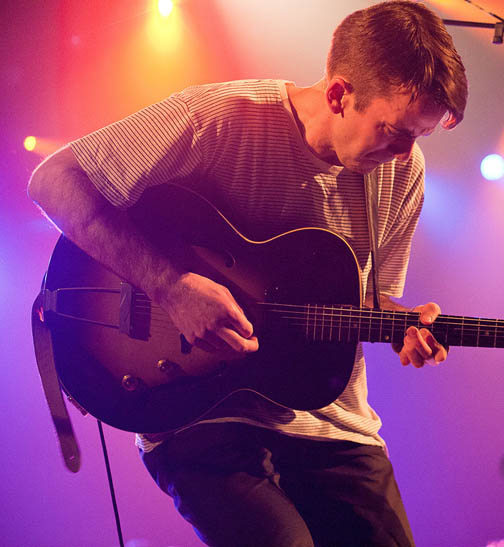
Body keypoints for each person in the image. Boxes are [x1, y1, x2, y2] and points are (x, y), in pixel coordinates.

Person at [27, 1, 468, 545]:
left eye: (419, 138)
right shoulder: (218, 117)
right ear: (338, 94)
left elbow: (364, 303)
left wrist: (403, 322)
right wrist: (171, 287)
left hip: (329, 421)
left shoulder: (401, 174)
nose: (405, 154)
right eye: (395, 131)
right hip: (194, 413)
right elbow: (54, 182)